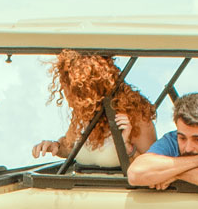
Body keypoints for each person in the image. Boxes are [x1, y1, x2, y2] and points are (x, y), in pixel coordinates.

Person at [30, 50, 158, 167]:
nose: (67, 96)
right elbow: (70, 147)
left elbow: (154, 171)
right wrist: (55, 146)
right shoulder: (83, 114)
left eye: (73, 92)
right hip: (79, 189)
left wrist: (127, 147)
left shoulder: (136, 118)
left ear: (89, 91)